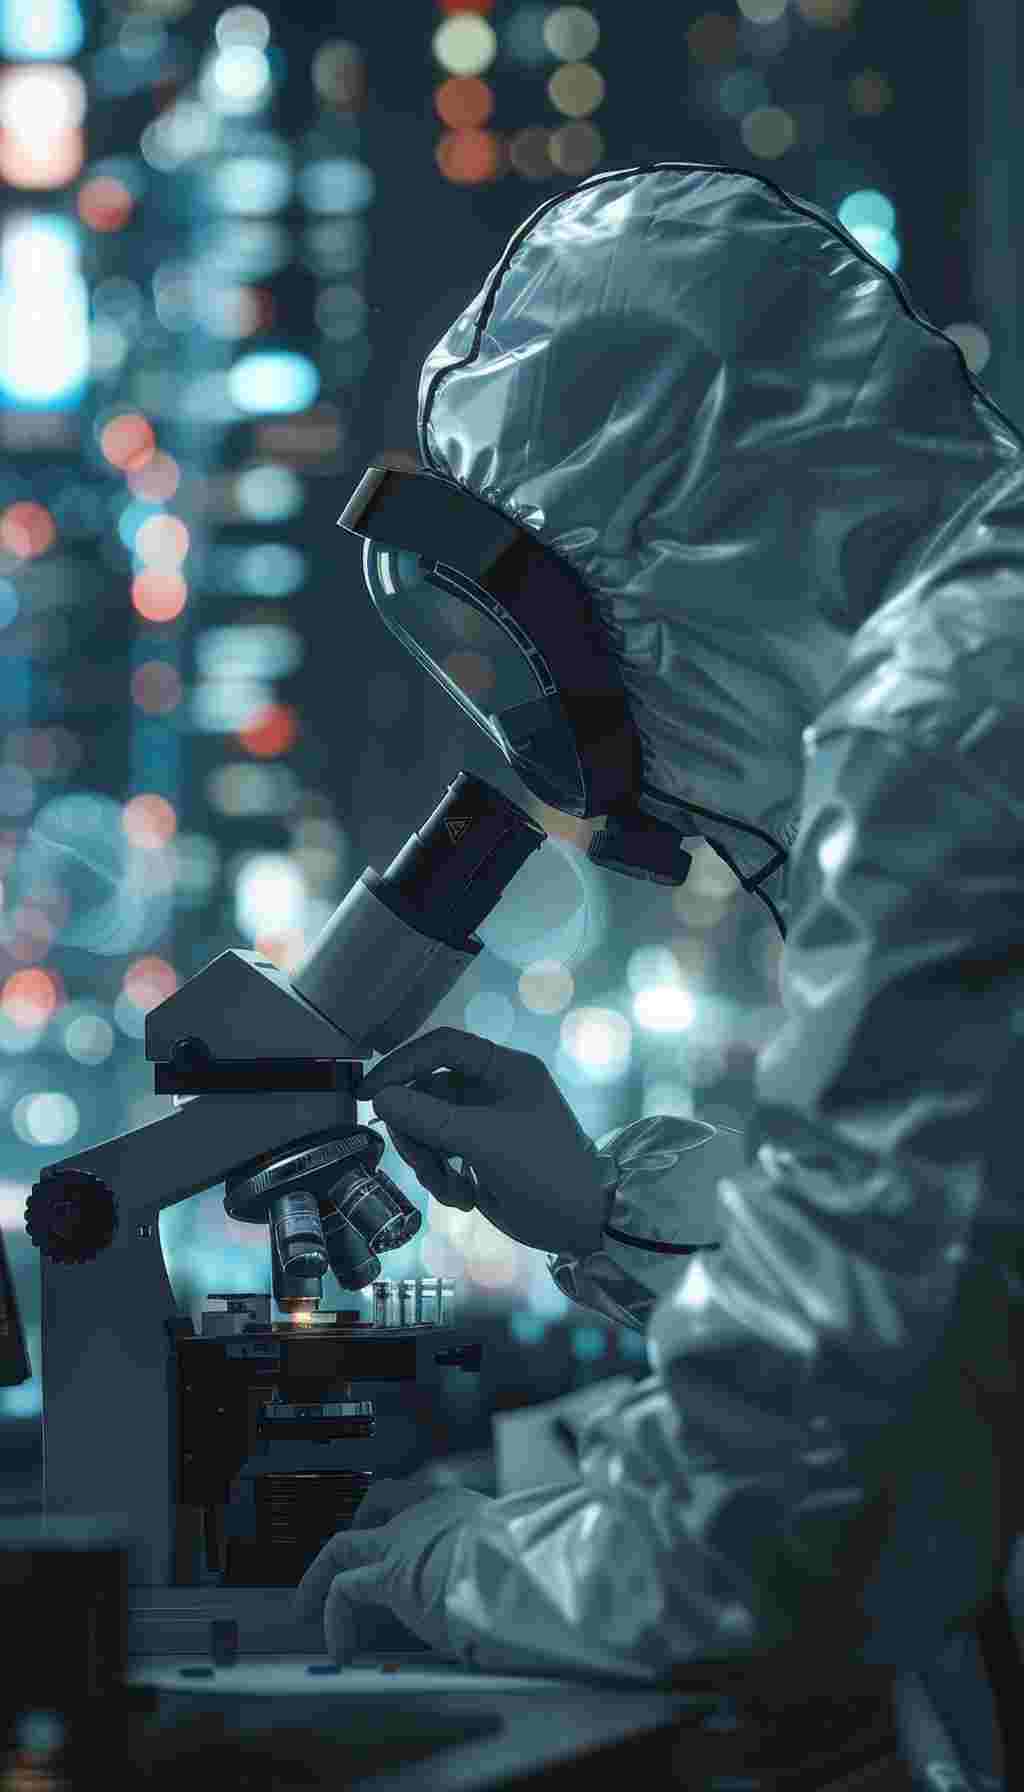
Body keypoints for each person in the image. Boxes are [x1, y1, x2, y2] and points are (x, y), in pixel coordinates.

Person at [295, 163, 1023, 1776]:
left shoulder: (954, 733)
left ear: (676, 580)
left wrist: (440, 1562)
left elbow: (782, 1536)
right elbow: (957, 1317)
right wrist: (598, 1210)